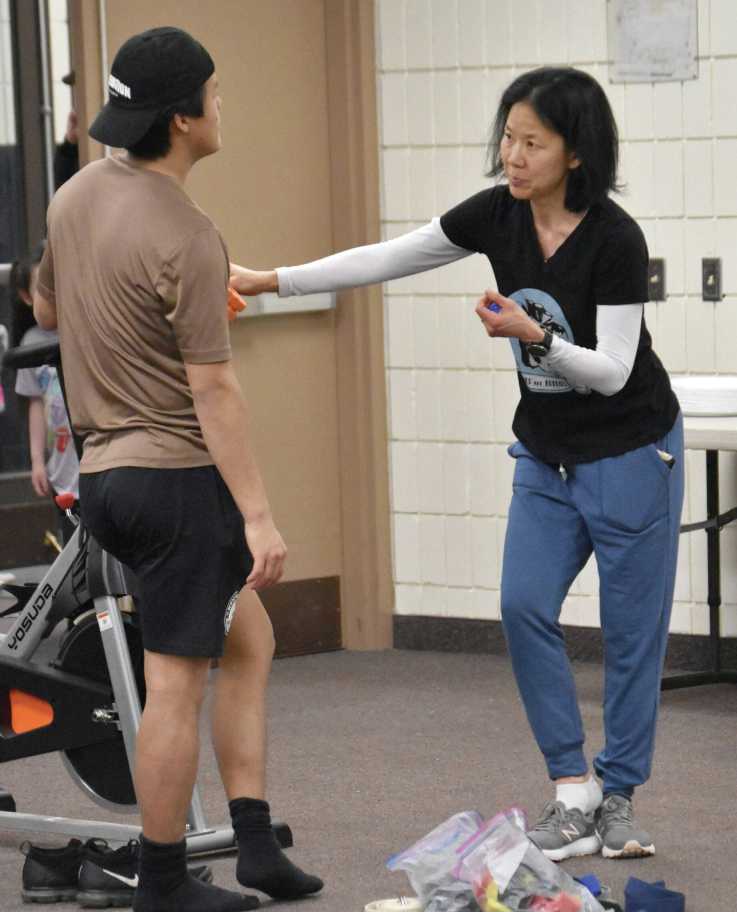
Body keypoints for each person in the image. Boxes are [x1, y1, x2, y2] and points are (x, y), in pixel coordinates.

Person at [230, 66, 683, 861]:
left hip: (629, 448)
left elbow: (613, 369)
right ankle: (569, 793)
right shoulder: (497, 216)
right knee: (521, 605)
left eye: (531, 143)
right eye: (507, 137)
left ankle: (618, 799)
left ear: (574, 154)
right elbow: (390, 257)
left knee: (632, 634)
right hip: (547, 454)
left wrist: (530, 335)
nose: (511, 156)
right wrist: (273, 280)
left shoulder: (615, 238)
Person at [34, 26, 322, 912]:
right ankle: (162, 878)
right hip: (176, 481)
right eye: (214, 92)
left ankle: (254, 841)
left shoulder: (76, 197)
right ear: (184, 117)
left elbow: (48, 300)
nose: (221, 104)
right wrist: (260, 517)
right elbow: (215, 392)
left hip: (109, 481)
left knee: (252, 641)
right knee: (172, 683)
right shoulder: (190, 233)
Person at [11, 242, 80, 544]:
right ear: (26, 297)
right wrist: (38, 460)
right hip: (62, 465)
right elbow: (36, 406)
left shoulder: (82, 328)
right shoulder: (30, 343)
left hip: (96, 454)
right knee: (74, 542)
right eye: (40, 289)